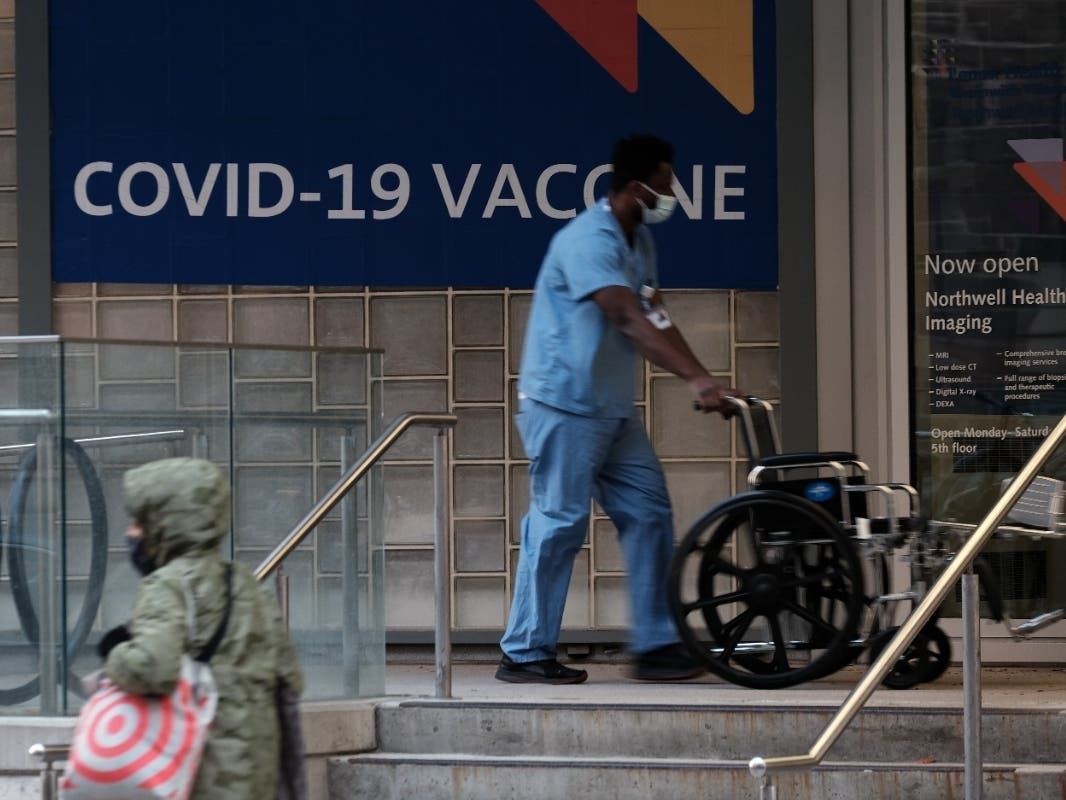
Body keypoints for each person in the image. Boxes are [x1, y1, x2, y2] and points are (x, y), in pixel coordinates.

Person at [496, 134, 737, 685]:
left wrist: (705, 378)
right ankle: (525, 650)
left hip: (610, 408)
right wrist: (694, 380)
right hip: (563, 403)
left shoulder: (640, 242)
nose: (672, 194)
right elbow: (625, 316)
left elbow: (654, 315)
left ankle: (654, 644)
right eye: (665, 185)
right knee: (559, 522)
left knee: (649, 512)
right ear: (636, 187)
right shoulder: (588, 240)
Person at [98, 457, 304, 799]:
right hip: (258, 773)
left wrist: (114, 652)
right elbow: (289, 677)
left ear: (164, 523)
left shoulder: (168, 585)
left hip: (202, 774)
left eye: (138, 522)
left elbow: (152, 668)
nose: (130, 533)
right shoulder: (245, 582)